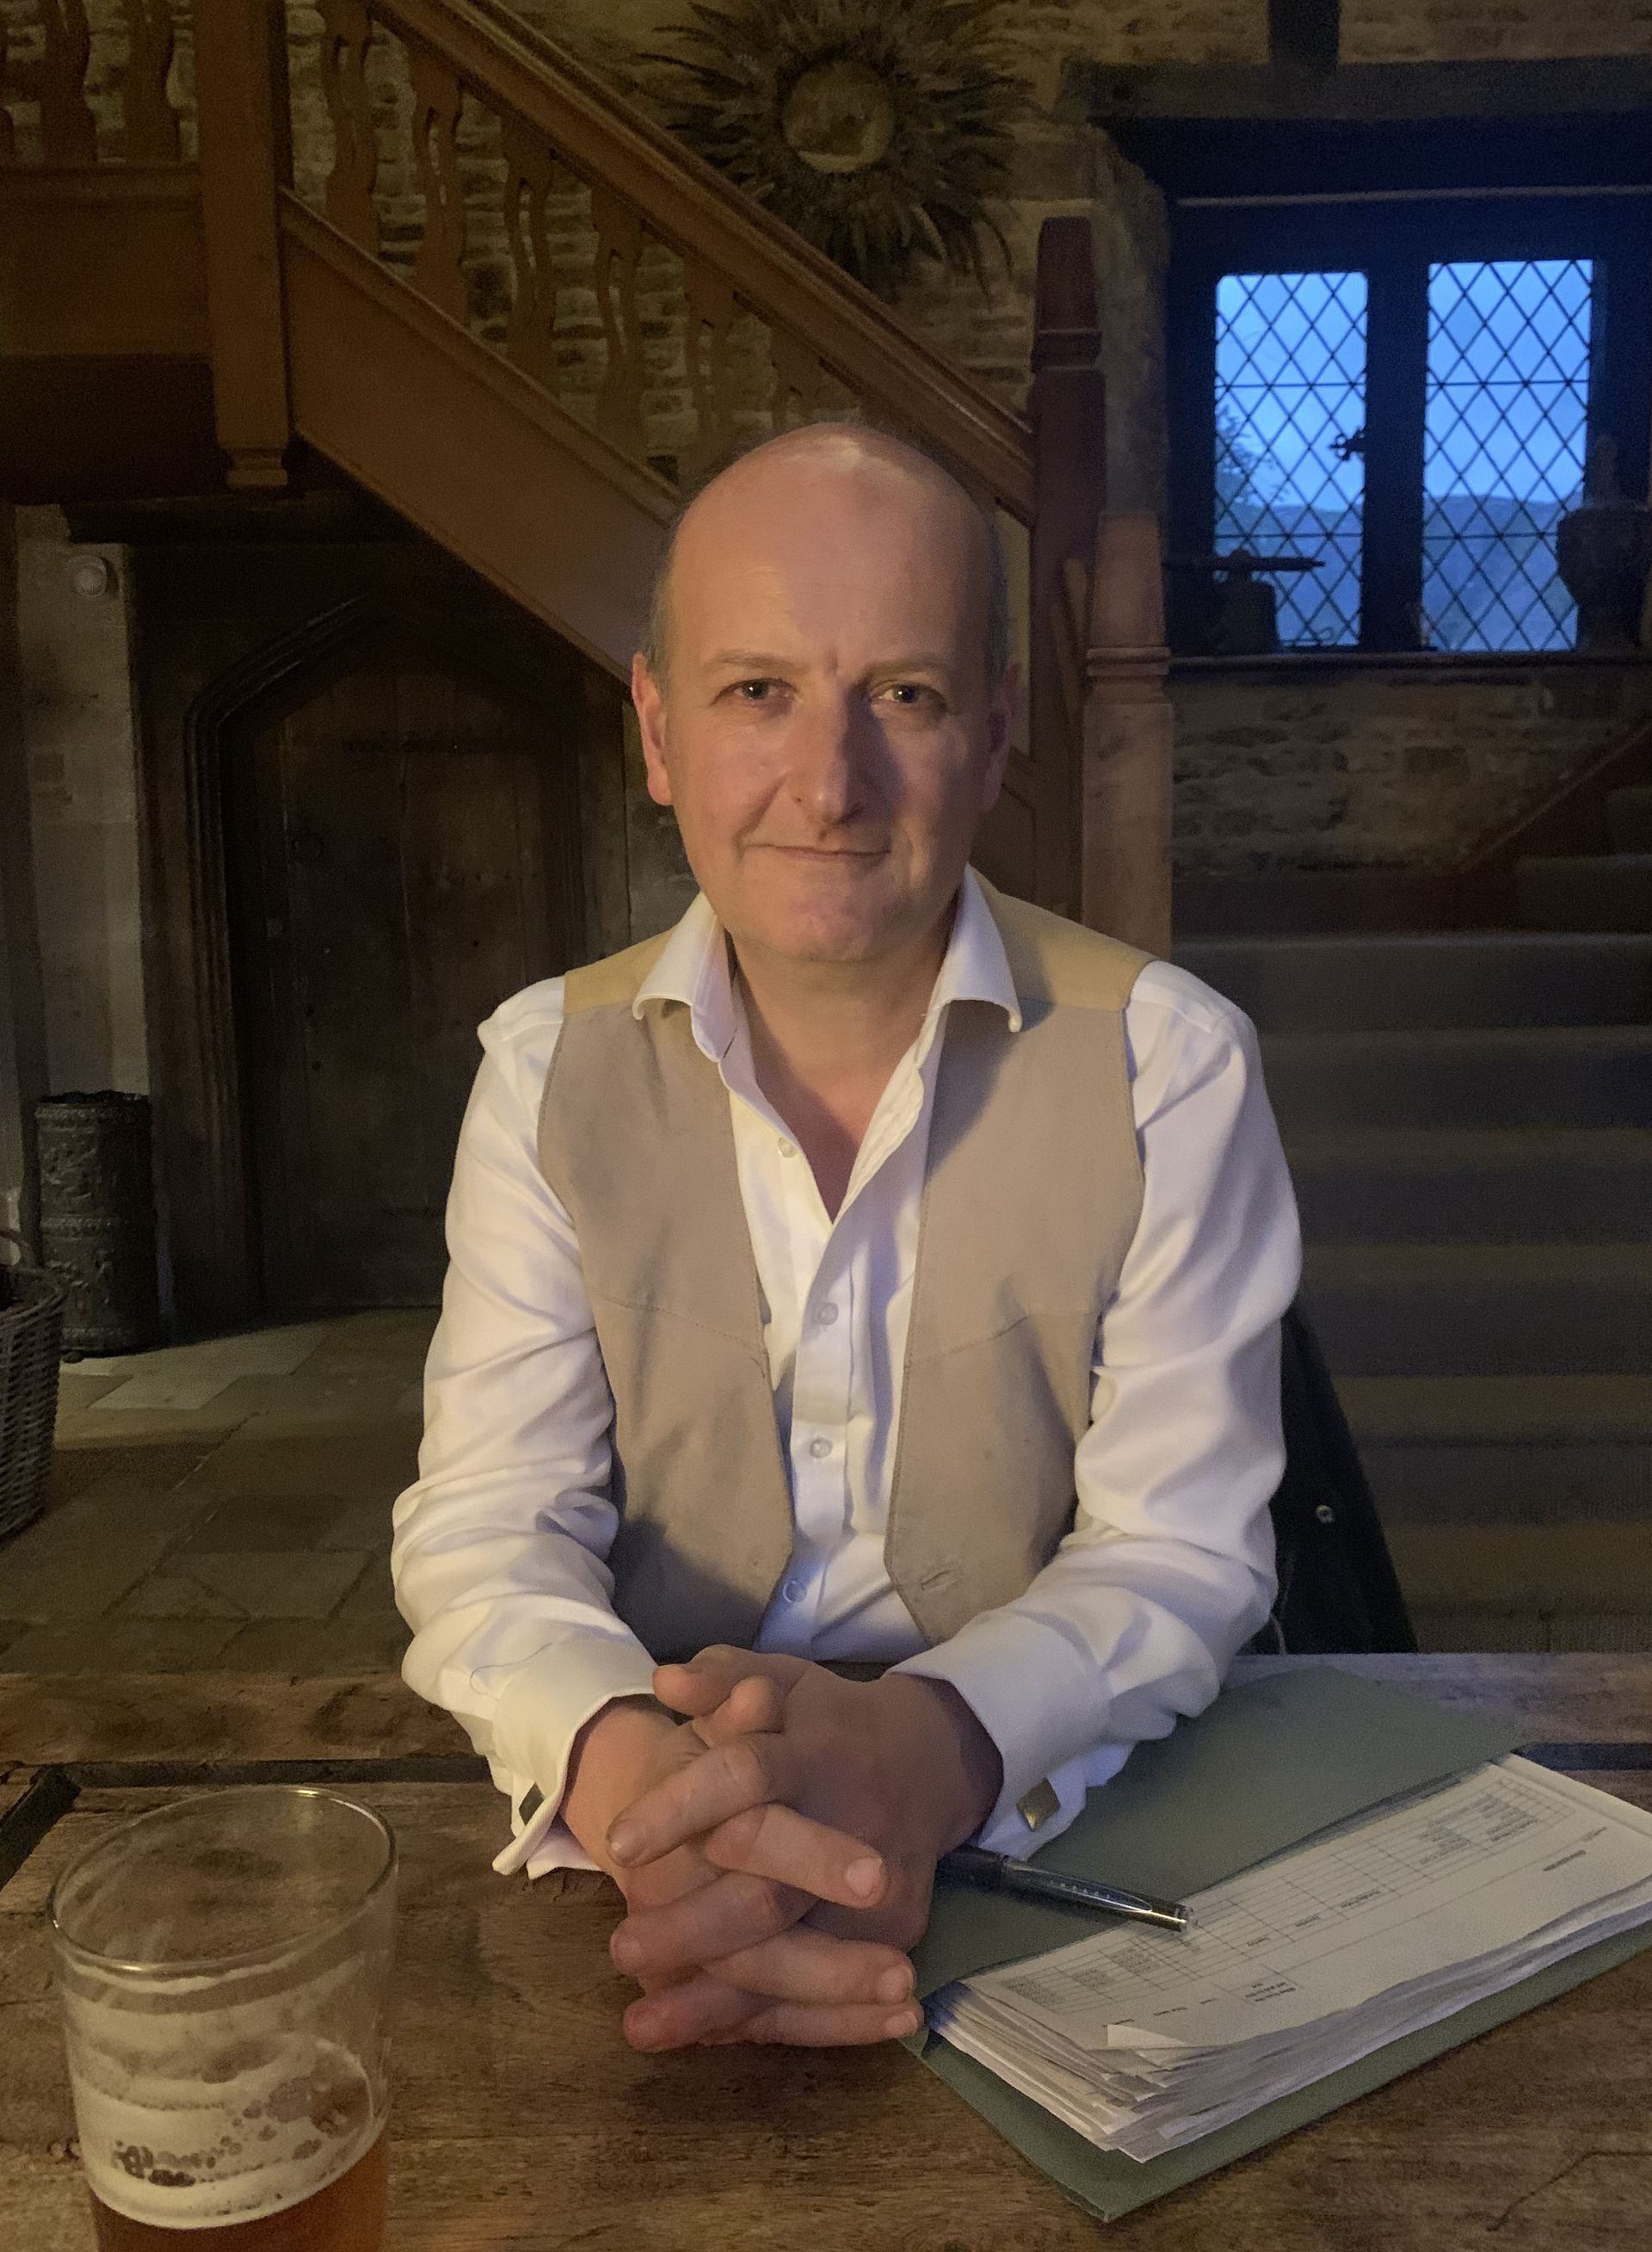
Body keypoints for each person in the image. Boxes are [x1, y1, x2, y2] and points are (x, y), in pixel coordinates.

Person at [391, 422, 1301, 2056]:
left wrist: (936, 1749)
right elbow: (484, 1527)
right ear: (657, 732)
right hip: (646, 1874)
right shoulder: (538, 1070)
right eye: (757, 692)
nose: (829, 782)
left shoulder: (1176, 1065)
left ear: (999, 732)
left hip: (1054, 1838)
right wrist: (642, 1786)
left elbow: (1186, 1547)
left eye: (905, 694)